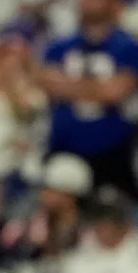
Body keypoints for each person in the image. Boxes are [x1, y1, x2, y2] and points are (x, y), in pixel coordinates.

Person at [39, 0, 138, 197]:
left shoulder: (127, 46)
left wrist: (66, 85)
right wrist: (99, 89)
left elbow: (116, 91)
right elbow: (46, 81)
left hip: (113, 150)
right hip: (64, 146)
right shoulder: (59, 46)